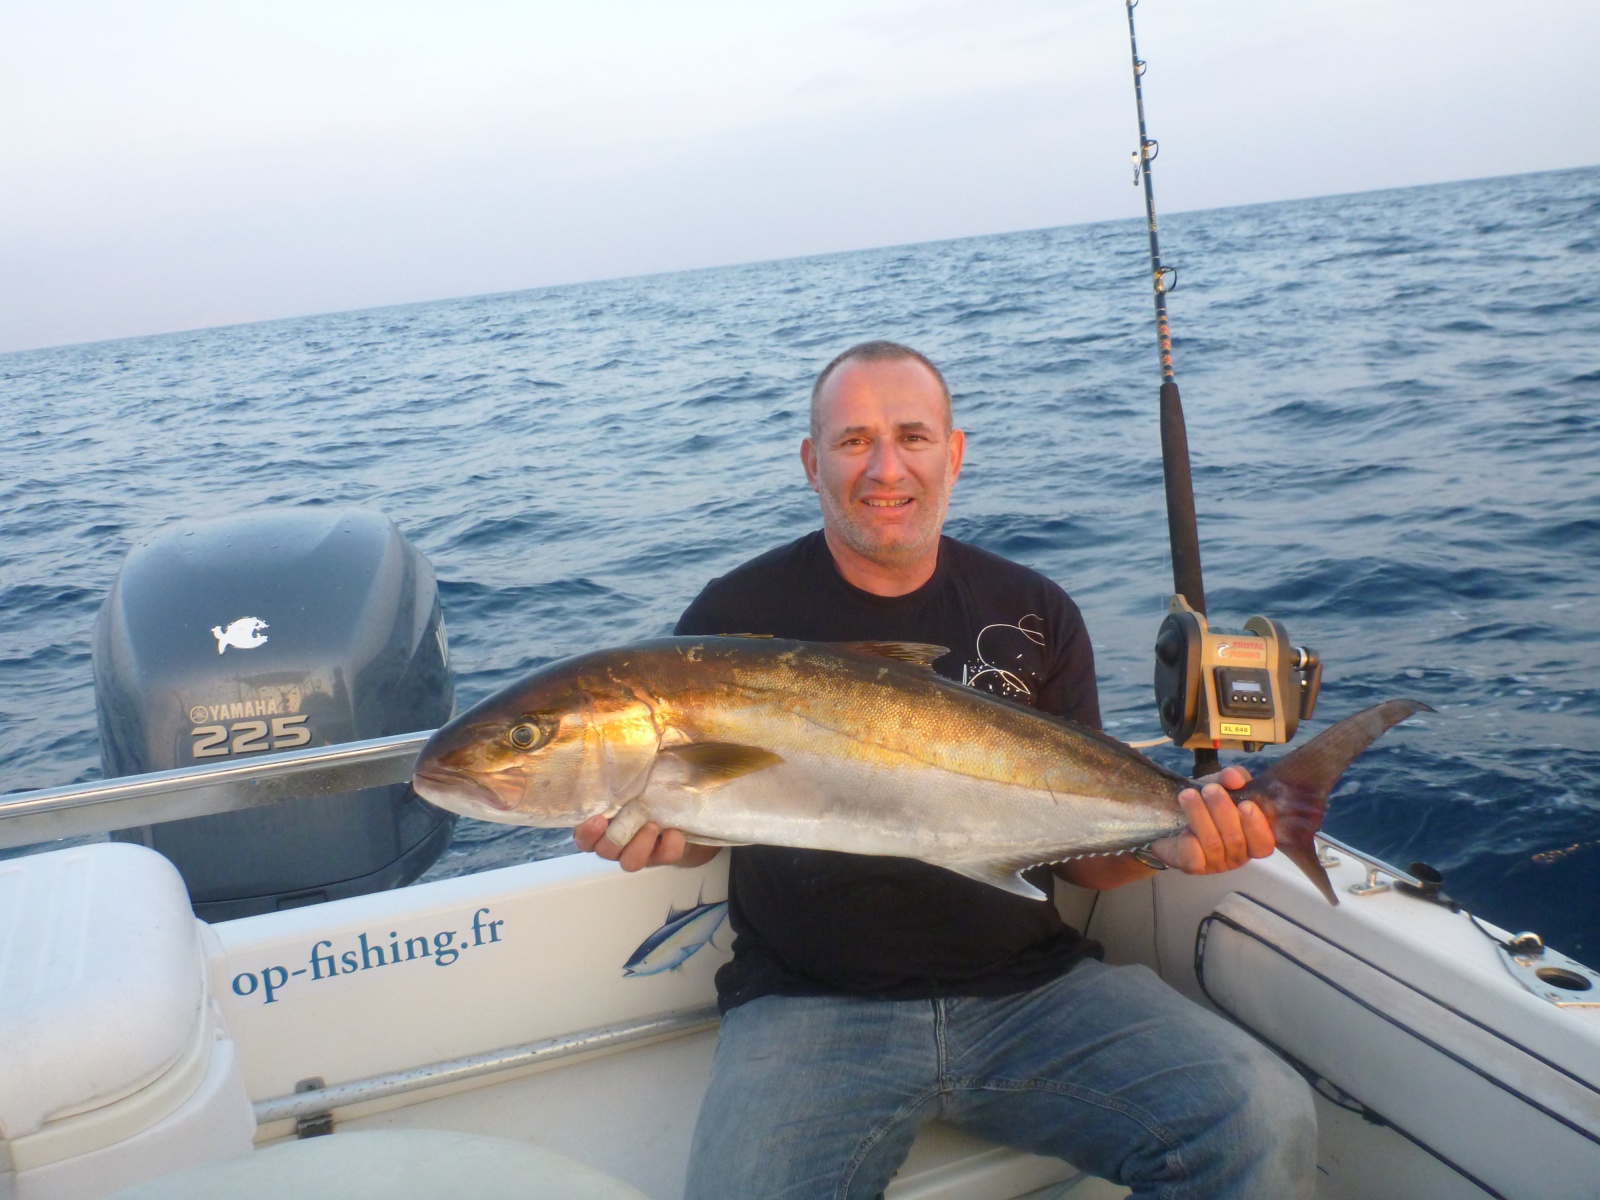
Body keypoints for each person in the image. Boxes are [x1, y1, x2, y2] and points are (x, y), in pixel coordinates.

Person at [575, 341, 1317, 1199]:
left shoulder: (1034, 610)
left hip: (1032, 995)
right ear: (811, 462)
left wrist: (1171, 845)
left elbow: (1083, 857)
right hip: (812, 1007)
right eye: (853, 441)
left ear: (953, 454)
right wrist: (666, 837)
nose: (885, 468)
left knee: (1258, 1115)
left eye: (912, 436)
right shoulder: (733, 616)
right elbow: (708, 827)